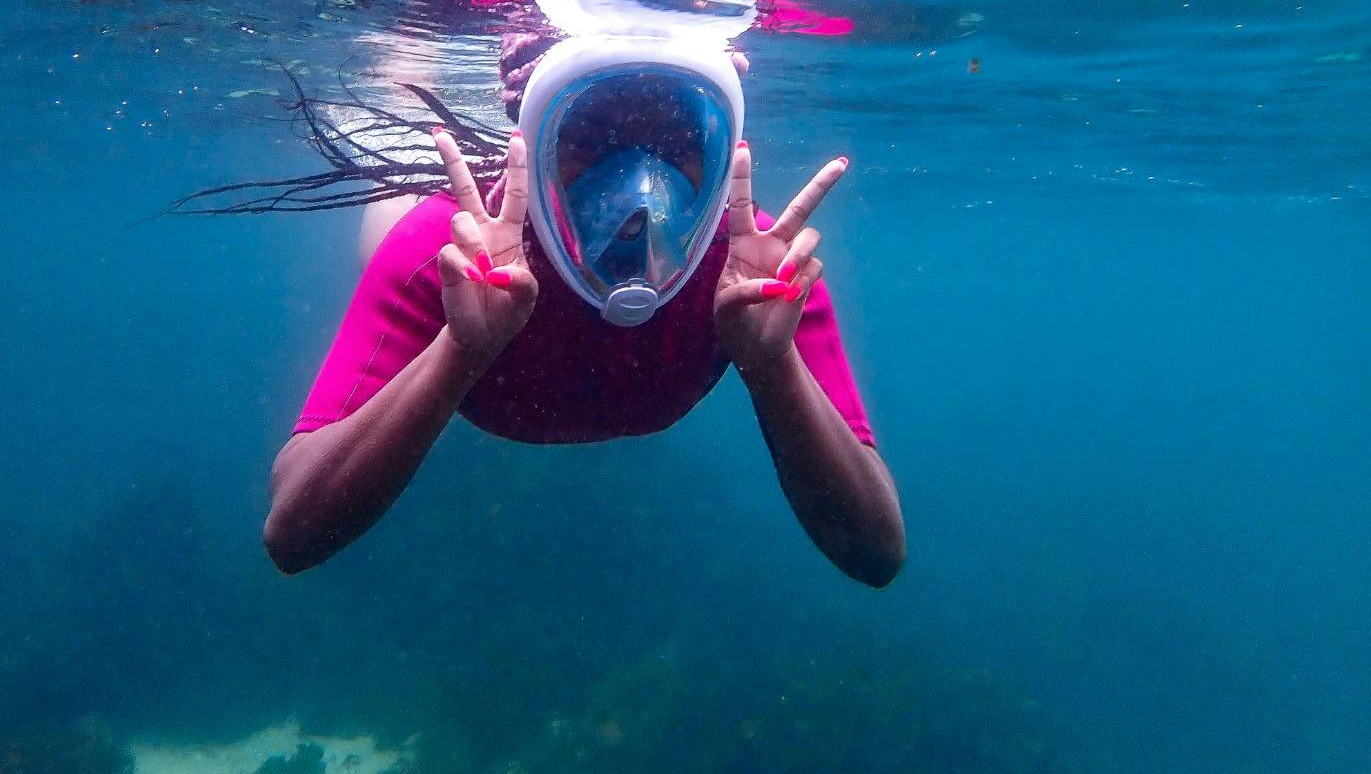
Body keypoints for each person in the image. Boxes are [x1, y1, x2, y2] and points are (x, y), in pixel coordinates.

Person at [262, 32, 906, 587]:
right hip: (449, 255)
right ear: (535, 142)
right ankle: (398, 116)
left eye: (677, 141)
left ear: (719, 151)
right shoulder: (450, 256)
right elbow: (291, 535)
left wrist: (773, 365)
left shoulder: (759, 273)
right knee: (393, 214)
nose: (637, 189)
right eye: (592, 139)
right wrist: (460, 347)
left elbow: (877, 552)